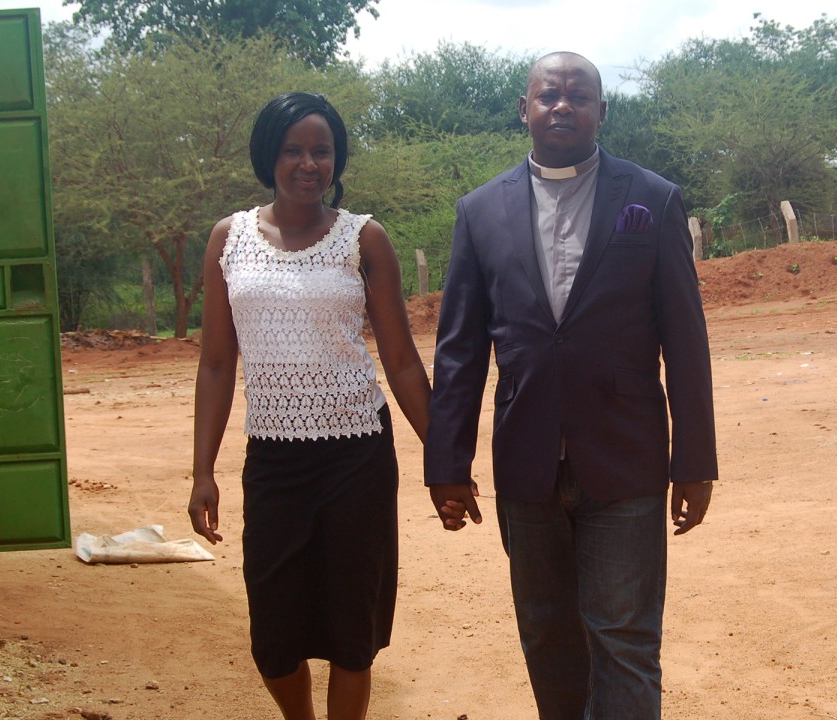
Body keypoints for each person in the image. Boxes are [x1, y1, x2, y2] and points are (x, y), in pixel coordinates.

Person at [424, 52, 719, 719]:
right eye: (549, 95)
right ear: (523, 110)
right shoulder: (479, 212)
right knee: (548, 637)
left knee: (623, 641)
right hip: (526, 467)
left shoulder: (653, 199)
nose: (563, 105)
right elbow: (460, 350)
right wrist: (447, 464)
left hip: (625, 461)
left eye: (579, 95)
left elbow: (686, 343)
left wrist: (694, 462)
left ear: (602, 112)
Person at [188, 92, 430, 720]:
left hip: (357, 456)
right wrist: (202, 471)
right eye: (292, 149)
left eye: (321, 151)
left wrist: (447, 454)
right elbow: (216, 364)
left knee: (353, 628)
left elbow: (401, 360)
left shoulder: (364, 238)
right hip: (274, 459)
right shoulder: (229, 240)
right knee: (275, 633)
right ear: (269, 156)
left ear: (336, 159)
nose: (307, 163)